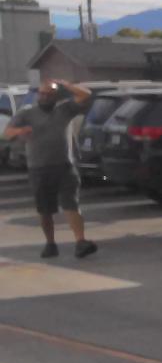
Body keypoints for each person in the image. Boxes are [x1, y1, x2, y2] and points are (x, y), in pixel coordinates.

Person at [3, 79, 99, 259]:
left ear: (56, 96)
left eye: (50, 94)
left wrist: (66, 84)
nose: (45, 97)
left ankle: (80, 242)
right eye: (42, 93)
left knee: (72, 204)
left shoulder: (64, 109)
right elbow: (6, 133)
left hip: (64, 165)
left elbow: (86, 94)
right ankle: (50, 243)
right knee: (45, 210)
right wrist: (19, 131)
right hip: (39, 167)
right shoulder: (27, 113)